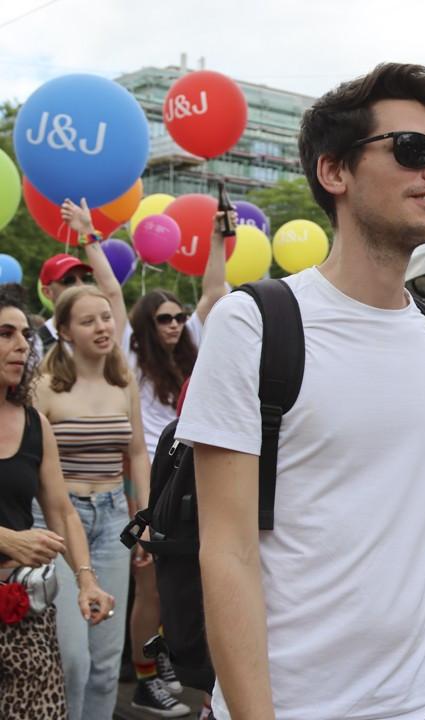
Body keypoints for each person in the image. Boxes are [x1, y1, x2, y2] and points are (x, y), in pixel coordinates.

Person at [177, 63, 425, 720]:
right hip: (295, 705)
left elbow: (415, 531)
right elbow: (225, 550)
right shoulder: (255, 322)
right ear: (334, 172)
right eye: (412, 150)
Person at [122, 213, 228, 715]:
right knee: (152, 588)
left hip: (188, 482)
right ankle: (146, 678)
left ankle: (170, 661)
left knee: (183, 588)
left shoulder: (194, 352)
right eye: (163, 318)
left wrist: (215, 240)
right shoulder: (131, 359)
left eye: (178, 316)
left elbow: (212, 292)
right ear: (145, 326)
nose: (175, 324)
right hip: (147, 486)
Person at [32, 285, 152, 720]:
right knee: (74, 661)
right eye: (88, 320)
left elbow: (137, 453)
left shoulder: (123, 383)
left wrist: (146, 517)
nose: (103, 326)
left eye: (105, 317)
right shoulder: (44, 387)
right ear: (64, 331)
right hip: (59, 521)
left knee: (105, 663)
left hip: (115, 518)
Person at [0, 283, 113, 720]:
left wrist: (86, 580)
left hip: (25, 610)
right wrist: (10, 538)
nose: (21, 345)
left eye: (25, 335)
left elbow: (62, 512)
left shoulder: (34, 423)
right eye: (5, 334)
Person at [34, 198, 129, 358]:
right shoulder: (36, 343)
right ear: (47, 292)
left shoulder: (104, 335)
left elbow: (112, 292)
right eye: (68, 281)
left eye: (85, 278)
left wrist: (86, 229)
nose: (80, 285)